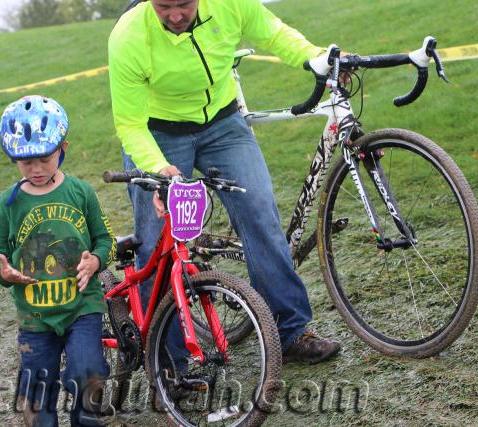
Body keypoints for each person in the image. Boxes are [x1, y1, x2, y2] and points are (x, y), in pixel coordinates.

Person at [108, 0, 341, 364]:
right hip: (158, 135)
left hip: (223, 125)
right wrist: (158, 168)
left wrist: (313, 57)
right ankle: (168, 364)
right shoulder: (129, 34)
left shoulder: (231, 4)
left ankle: (290, 332)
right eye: (163, 6)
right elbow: (130, 125)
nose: (173, 15)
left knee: (261, 215)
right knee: (156, 245)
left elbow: (274, 32)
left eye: (183, 4)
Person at [0, 95, 116, 426]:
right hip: (35, 318)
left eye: (44, 159)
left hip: (81, 307)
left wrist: (95, 262)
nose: (36, 169)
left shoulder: (81, 193)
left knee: (88, 372)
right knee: (38, 396)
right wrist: (3, 273)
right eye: (25, 162)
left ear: (63, 147)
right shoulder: (8, 205)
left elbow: (106, 240)